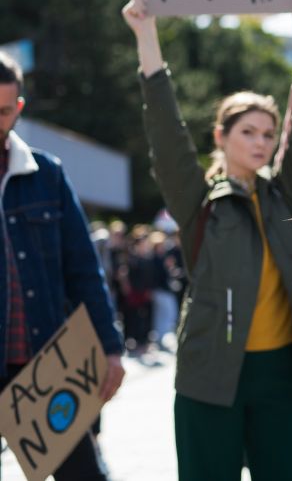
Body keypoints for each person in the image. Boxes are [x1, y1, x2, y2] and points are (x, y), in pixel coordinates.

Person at [122, 0, 292, 481]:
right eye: (247, 132)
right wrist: (146, 33)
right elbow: (166, 133)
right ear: (220, 136)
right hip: (211, 376)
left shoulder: (282, 194)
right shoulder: (199, 202)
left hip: (282, 373)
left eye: (268, 133)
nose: (261, 143)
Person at [0, 50, 124, 479]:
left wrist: (110, 346)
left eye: (3, 111)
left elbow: (84, 270)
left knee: (84, 475)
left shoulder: (46, 174)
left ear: (19, 108)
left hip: (44, 360)